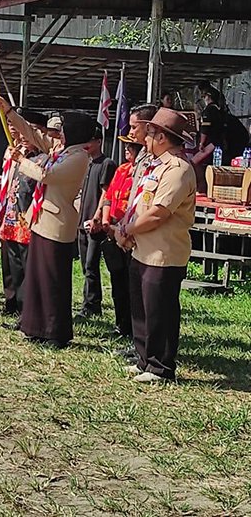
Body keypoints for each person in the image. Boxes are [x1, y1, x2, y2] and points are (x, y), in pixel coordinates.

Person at [0, 96, 94, 348]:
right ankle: (35, 326)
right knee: (37, 278)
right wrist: (9, 112)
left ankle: (56, 332)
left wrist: (21, 161)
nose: (59, 134)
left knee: (53, 281)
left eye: (64, 130)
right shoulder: (62, 150)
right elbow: (33, 133)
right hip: (40, 219)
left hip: (58, 224)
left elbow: (47, 175)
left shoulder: (79, 157)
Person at [116, 108, 196, 383]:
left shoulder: (178, 169)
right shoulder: (155, 165)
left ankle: (161, 367)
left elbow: (159, 212)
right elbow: (140, 203)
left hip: (164, 252)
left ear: (162, 137)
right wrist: (128, 231)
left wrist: (126, 229)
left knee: (159, 311)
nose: (145, 138)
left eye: (149, 133)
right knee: (141, 308)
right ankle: (144, 359)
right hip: (143, 247)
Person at [92, 135, 144, 338]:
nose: (126, 150)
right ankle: (121, 325)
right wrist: (105, 221)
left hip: (131, 235)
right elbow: (109, 196)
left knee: (132, 285)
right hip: (112, 231)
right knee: (118, 282)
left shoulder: (140, 174)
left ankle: (134, 329)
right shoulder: (122, 170)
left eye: (130, 147)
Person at [0, 113, 42, 324]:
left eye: (29, 132)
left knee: (27, 270)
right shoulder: (19, 157)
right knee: (13, 267)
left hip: (29, 222)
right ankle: (13, 305)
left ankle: (27, 313)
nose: (24, 137)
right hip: (12, 219)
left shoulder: (41, 160)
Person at [76, 128, 117, 320]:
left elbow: (106, 193)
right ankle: (89, 302)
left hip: (95, 222)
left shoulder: (106, 164)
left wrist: (97, 216)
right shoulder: (87, 164)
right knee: (85, 264)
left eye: (90, 141)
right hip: (82, 219)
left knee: (92, 264)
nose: (87, 145)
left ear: (99, 141)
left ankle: (92, 305)